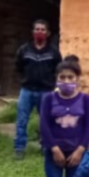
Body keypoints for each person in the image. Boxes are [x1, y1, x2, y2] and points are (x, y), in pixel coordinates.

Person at [39, 56, 89, 177]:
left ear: (77, 78)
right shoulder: (49, 99)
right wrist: (55, 150)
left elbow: (88, 127)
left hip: (76, 154)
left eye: (71, 77)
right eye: (62, 77)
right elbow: (44, 126)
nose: (67, 81)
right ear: (56, 78)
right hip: (53, 154)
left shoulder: (85, 99)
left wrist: (80, 150)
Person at [14, 19, 61, 159]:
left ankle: (46, 146)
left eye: (42, 30)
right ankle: (19, 148)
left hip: (46, 91)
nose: (39, 32)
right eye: (37, 29)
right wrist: (23, 80)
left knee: (46, 120)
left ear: (48, 33)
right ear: (33, 32)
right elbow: (18, 67)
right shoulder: (24, 49)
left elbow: (58, 70)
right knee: (22, 119)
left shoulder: (53, 52)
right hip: (27, 90)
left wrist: (53, 85)